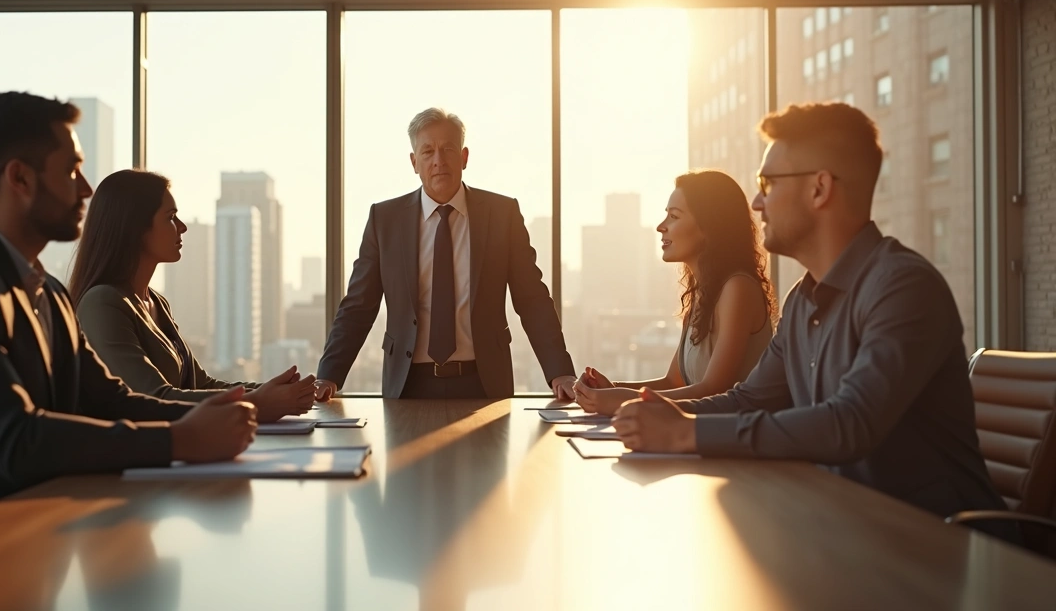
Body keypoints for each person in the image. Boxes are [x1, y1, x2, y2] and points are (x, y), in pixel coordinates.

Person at [0, 92, 258, 546]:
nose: (87, 189)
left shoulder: (45, 290)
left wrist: (214, 417)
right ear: (20, 178)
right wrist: (180, 441)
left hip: (23, 531)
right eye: (72, 170)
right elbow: (17, 439)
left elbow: (112, 400)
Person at [612, 102, 1008, 520]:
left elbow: (849, 423)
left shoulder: (904, 288)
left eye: (768, 183)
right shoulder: (804, 299)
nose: (756, 202)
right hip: (847, 526)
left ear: (819, 189)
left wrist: (685, 432)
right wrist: (662, 414)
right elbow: (749, 401)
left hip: (942, 547)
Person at [315, 107, 575, 400]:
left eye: (448, 149)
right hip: (407, 385)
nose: (438, 161)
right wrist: (328, 376)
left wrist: (560, 371)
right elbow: (358, 307)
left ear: (464, 157)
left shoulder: (502, 215)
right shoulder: (384, 220)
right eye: (427, 151)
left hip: (485, 383)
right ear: (414, 162)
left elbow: (532, 299)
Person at [69, 169, 317, 422]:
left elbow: (201, 384)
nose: (182, 227)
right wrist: (259, 403)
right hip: (135, 459)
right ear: (135, 227)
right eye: (171, 217)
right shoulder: (102, 304)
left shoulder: (156, 302)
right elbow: (153, 399)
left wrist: (274, 391)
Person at [572, 170, 776, 415]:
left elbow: (713, 390)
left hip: (732, 443)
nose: (661, 227)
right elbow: (673, 383)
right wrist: (610, 389)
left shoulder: (737, 289)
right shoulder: (702, 295)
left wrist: (622, 401)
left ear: (709, 225)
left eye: (674, 217)